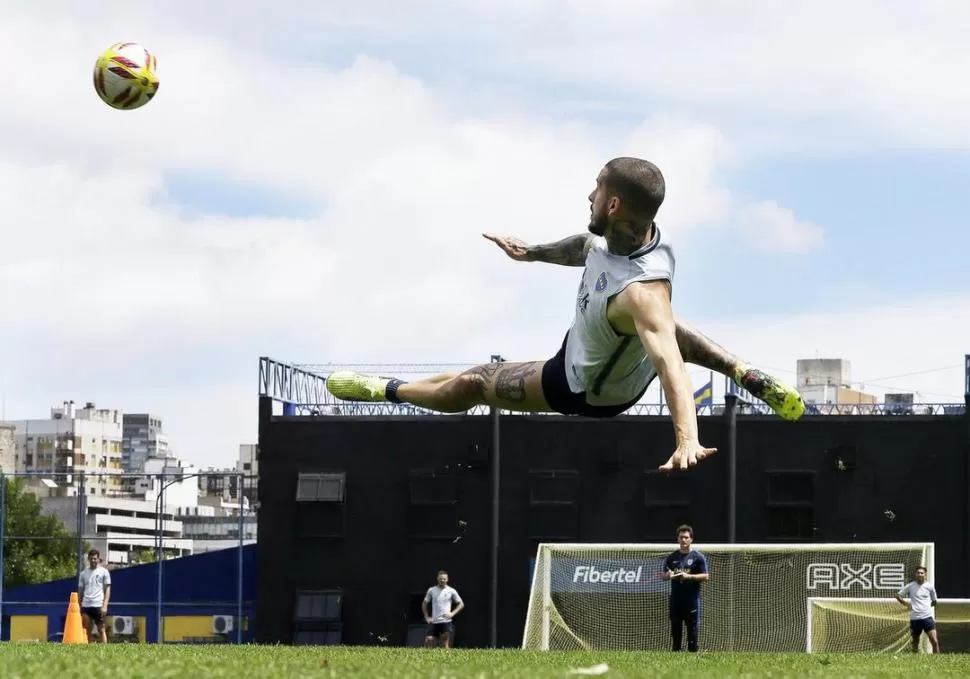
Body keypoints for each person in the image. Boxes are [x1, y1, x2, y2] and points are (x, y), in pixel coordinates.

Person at [326, 157, 805, 471]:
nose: (589, 194)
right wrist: (532, 253)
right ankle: (744, 371)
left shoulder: (643, 291)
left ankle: (387, 389)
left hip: (585, 388)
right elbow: (585, 246)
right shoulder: (630, 234)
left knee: (472, 386)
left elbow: (672, 369)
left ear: (614, 203)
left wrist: (686, 439)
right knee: (658, 327)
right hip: (600, 347)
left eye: (596, 189)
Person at [662, 524, 708, 652]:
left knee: (692, 632)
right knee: (676, 632)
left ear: (691, 539)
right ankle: (676, 657)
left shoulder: (698, 557)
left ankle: (693, 657)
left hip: (692, 600)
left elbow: (706, 576)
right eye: (681, 537)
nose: (683, 540)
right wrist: (668, 575)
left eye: (686, 537)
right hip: (676, 600)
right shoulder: (672, 557)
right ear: (677, 539)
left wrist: (688, 576)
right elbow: (663, 575)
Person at [895, 566, 940, 653]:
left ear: (925, 575)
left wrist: (926, 607)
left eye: (921, 573)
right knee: (915, 642)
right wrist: (906, 604)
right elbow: (898, 595)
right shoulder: (910, 586)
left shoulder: (930, 587)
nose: (920, 574)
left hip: (927, 618)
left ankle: (936, 661)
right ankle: (915, 661)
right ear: (915, 574)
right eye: (918, 573)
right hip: (915, 619)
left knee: (934, 641)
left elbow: (934, 601)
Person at [421, 570, 464, 648]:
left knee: (444, 643)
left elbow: (461, 604)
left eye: (444, 579)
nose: (442, 580)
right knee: (428, 640)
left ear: (447, 579)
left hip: (446, 621)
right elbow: (424, 603)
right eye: (441, 578)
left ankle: (446, 659)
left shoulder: (451, 591)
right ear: (437, 578)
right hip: (434, 621)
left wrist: (452, 614)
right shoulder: (431, 590)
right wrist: (426, 617)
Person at [77, 548, 112, 642]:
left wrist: (105, 605)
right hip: (86, 605)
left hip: (98, 605)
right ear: (88, 559)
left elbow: (107, 589)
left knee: (101, 630)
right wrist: (79, 604)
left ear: (98, 559)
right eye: (91, 558)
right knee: (87, 630)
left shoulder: (104, 572)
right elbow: (80, 590)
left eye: (95, 558)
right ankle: (89, 651)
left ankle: (105, 652)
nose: (93, 560)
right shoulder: (83, 574)